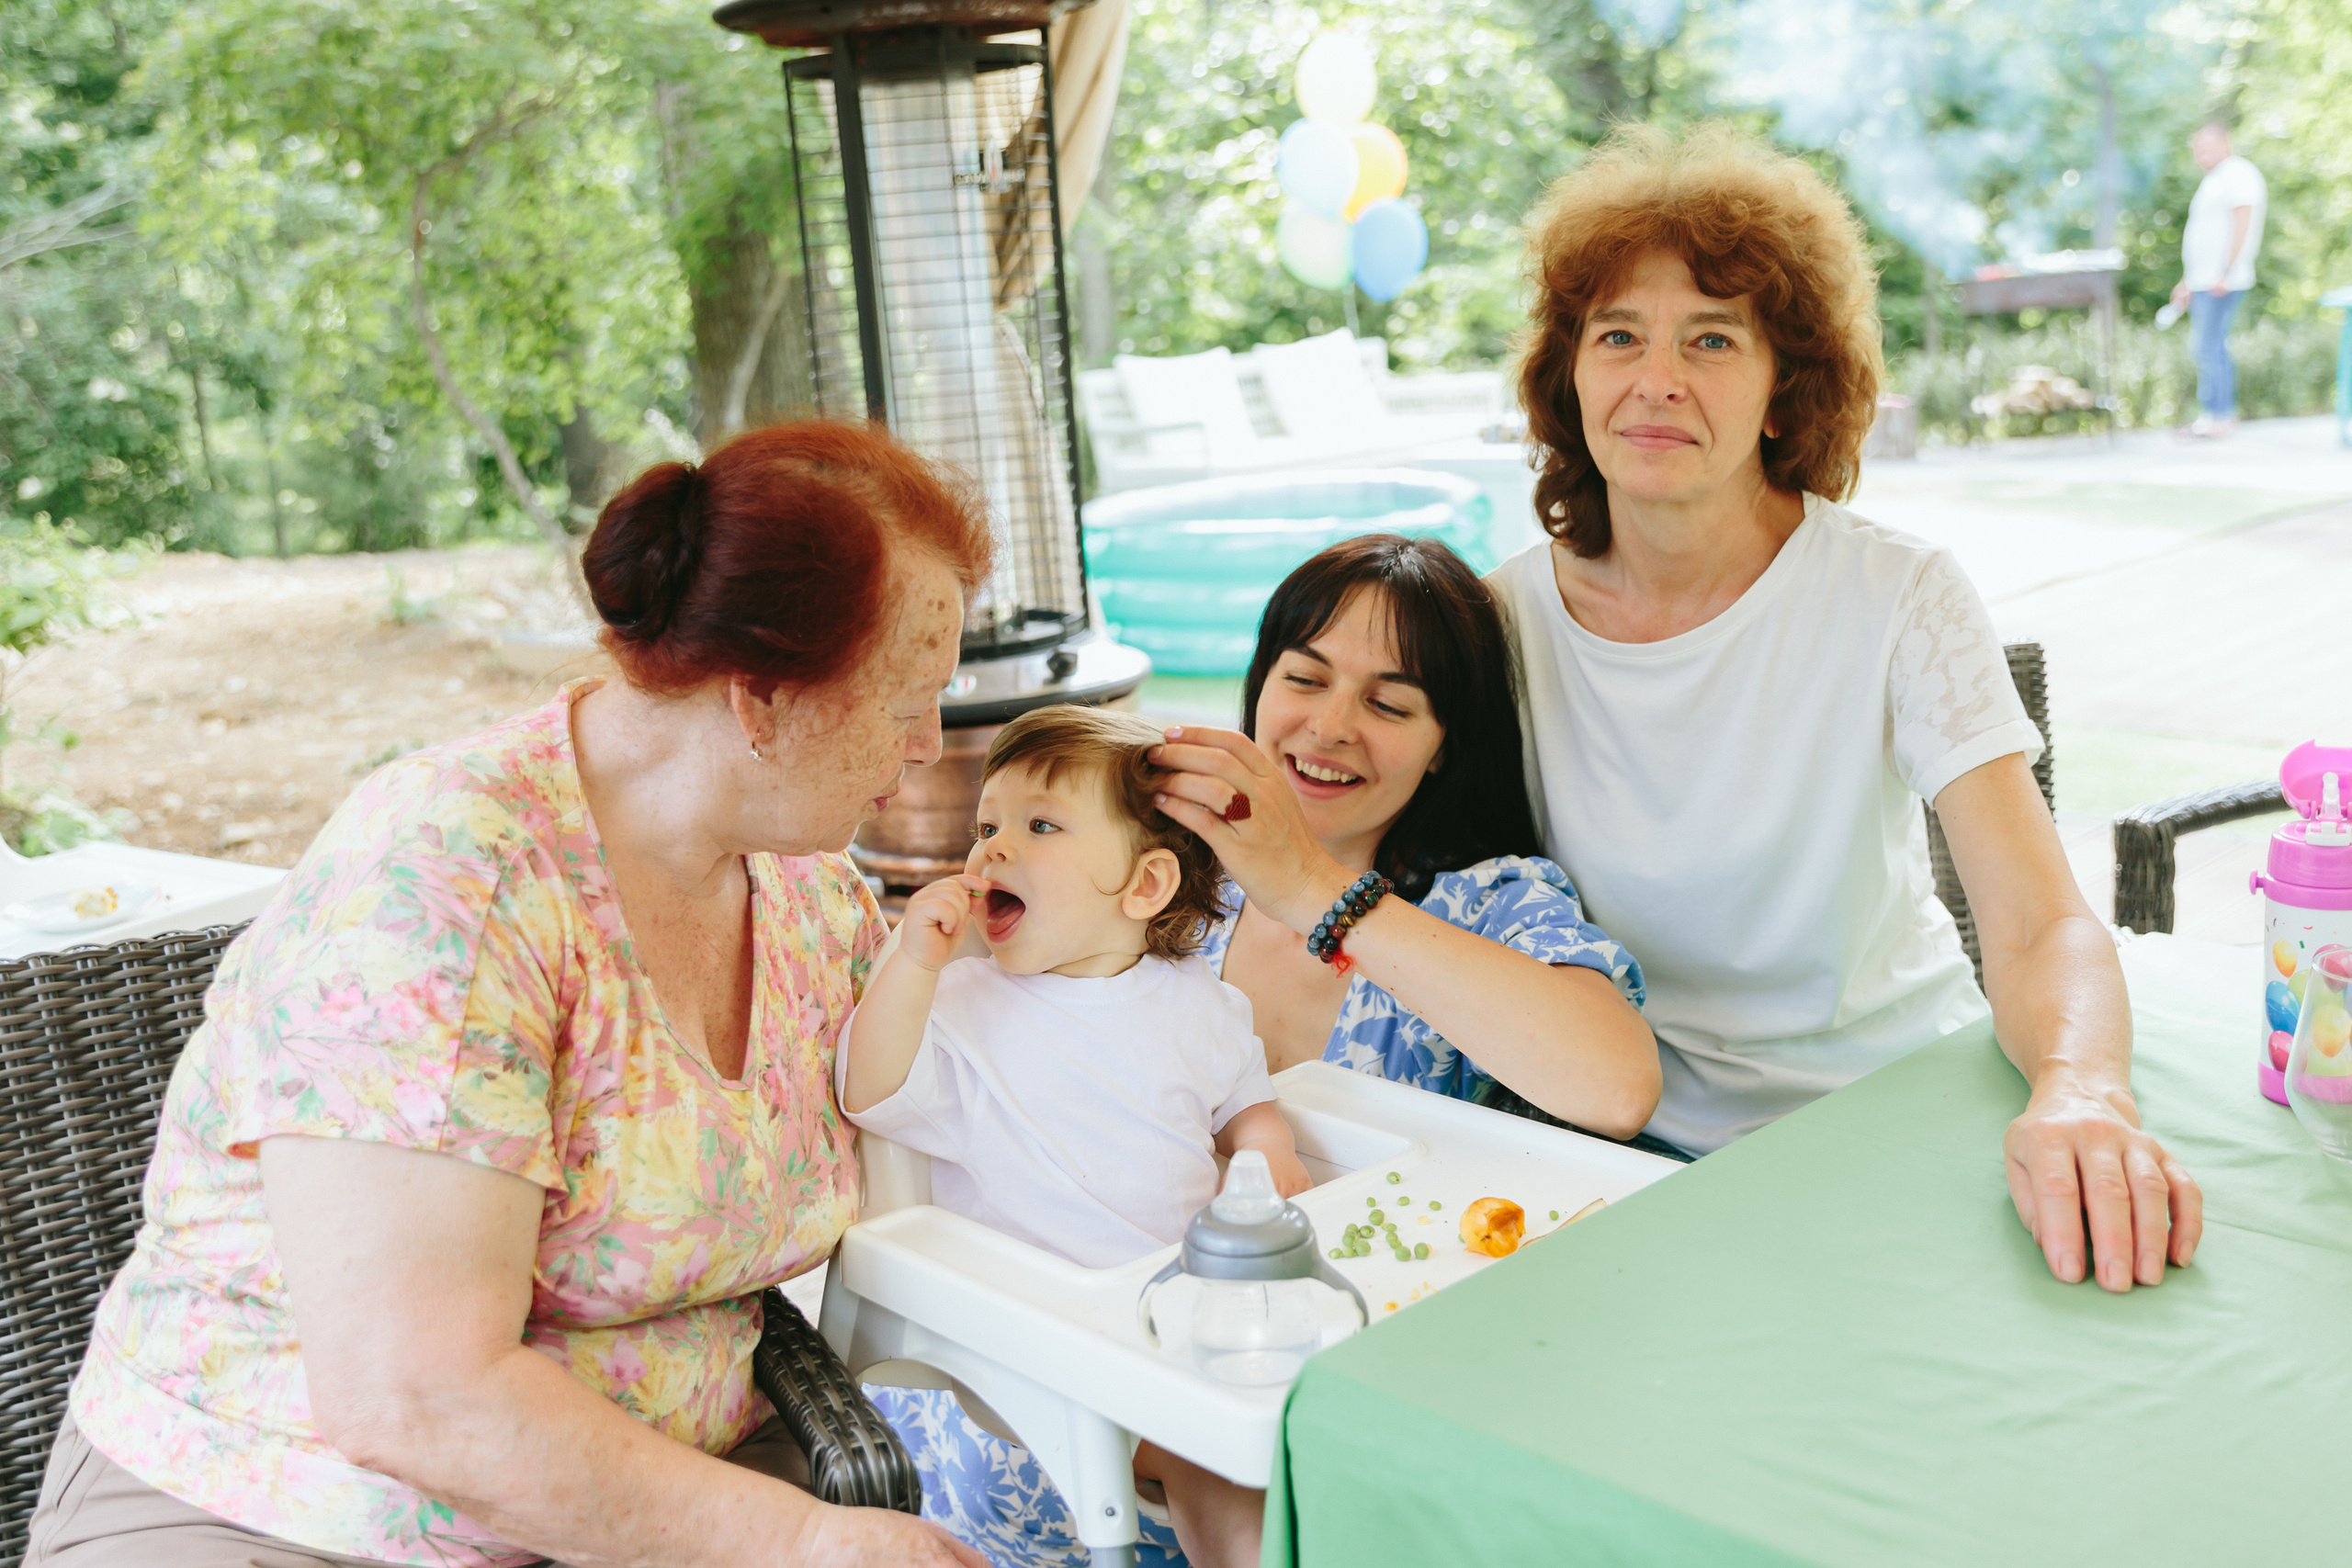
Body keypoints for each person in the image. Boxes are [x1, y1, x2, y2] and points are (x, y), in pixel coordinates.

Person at [28, 422, 993, 1568]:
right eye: (908, 697)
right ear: (760, 699)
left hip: (663, 1499)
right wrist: (800, 1542)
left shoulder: (803, 886)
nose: (928, 745)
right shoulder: (441, 884)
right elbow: (412, 1399)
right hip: (292, 1513)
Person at [1485, 121, 2200, 1292]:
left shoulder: (1897, 592)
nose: (1656, 378)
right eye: (1618, 335)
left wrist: (2080, 1087)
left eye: (1711, 339)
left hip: (1892, 1113)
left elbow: (2037, 926)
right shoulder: (1496, 622)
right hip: (1617, 1155)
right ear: (1573, 375)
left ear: (1783, 391)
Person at [840, 704, 1301, 1568]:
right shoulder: (966, 1005)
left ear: (1146, 886)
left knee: (1303, 1430)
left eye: (1039, 825)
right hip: (1042, 1342)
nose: (992, 850)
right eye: (987, 826)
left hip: (1189, 1316)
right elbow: (869, 1091)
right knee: (1220, 1458)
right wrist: (910, 965)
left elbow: (1248, 1111)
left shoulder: (1194, 1000)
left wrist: (1279, 1182)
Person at [1146, 533, 1662, 1144]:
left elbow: (1620, 1089)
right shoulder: (1167, 868)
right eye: (1306, 679)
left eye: (1388, 704)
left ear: (1443, 745)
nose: (1330, 726)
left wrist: (1313, 888)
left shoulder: (1488, 902)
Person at [2171, 121, 2267, 439]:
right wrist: (2187, 280)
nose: (2201, 154)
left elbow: (2243, 222)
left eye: (2207, 146)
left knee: (2209, 347)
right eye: (2197, 148)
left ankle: (2218, 417)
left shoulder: (2238, 173)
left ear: (2225, 143)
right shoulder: (2213, 180)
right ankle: (2215, 415)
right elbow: (2202, 236)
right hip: (2203, 279)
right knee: (2208, 347)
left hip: (2221, 279)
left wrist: (2225, 271)